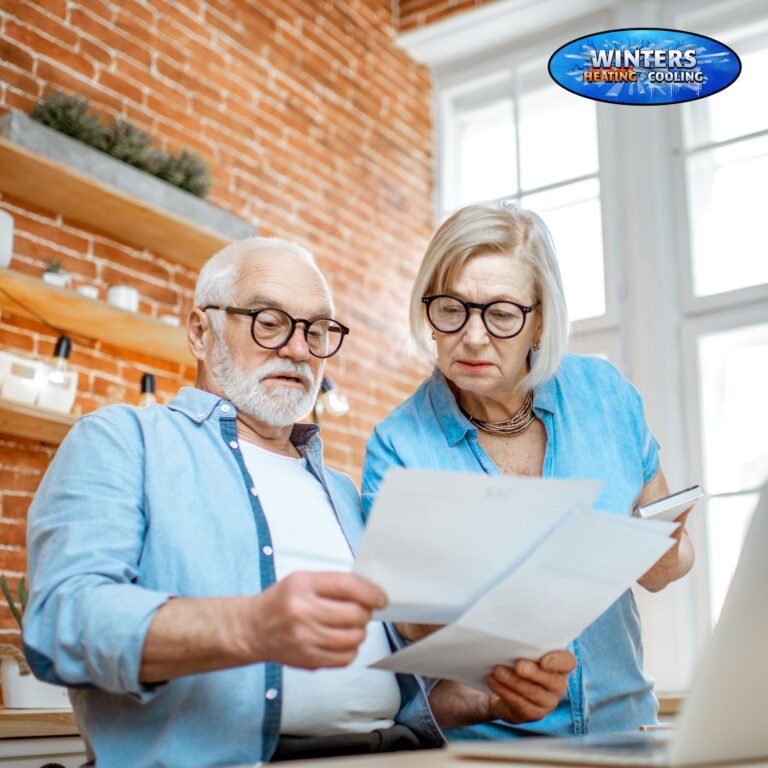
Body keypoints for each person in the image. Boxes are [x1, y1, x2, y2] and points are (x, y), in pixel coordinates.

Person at [23, 236, 568, 768]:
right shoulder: (124, 440)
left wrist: (487, 699)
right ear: (199, 330)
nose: (299, 348)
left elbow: (377, 690)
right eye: (269, 322)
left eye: (318, 330)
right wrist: (249, 626)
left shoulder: (343, 492)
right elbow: (61, 623)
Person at [362, 203, 695, 741]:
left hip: (626, 729)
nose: (471, 337)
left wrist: (664, 551)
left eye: (500, 314)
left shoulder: (606, 395)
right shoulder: (398, 444)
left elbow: (671, 560)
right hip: (493, 744)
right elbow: (406, 630)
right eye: (451, 309)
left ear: (540, 319)